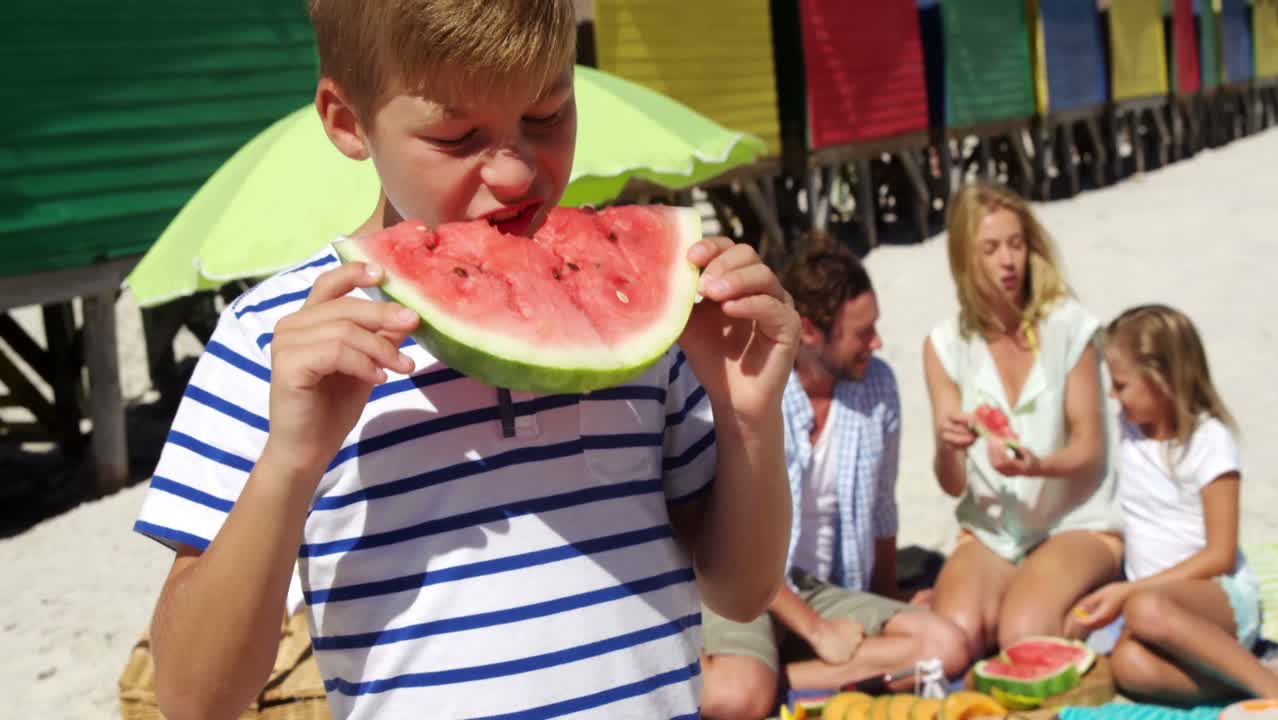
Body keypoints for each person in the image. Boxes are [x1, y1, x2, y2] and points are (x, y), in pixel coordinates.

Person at [133, 2, 801, 718]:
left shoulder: (666, 330)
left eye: (547, 116)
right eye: (456, 136)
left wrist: (747, 419)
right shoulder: (272, 343)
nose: (515, 171)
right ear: (346, 121)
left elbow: (739, 590)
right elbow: (192, 700)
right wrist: (289, 462)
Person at [701, 240, 969, 720]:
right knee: (735, 700)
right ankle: (761, 671)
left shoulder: (878, 386)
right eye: (862, 334)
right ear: (808, 331)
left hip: (822, 588)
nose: (877, 343)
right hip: (749, 587)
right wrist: (816, 632)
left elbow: (883, 509)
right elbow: (725, 537)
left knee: (945, 645)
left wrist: (886, 599)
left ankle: (778, 676)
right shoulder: (754, 391)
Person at [921, 182, 1123, 659]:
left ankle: (1101, 614)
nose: (1008, 261)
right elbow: (952, 485)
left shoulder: (1068, 326)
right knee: (956, 634)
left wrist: (1036, 467)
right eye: (990, 249)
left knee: (1023, 637)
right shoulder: (945, 346)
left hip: (1074, 521)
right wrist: (950, 448)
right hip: (991, 530)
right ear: (964, 259)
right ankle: (1024, 593)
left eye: (1016, 244)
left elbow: (1091, 449)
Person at [1066, 304, 1278, 700]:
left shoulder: (1209, 442)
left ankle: (1270, 688)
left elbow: (1220, 554)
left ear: (1161, 380)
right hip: (1156, 610)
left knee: (1145, 609)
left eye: (1122, 384)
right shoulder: (1125, 433)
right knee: (1128, 666)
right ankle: (1244, 682)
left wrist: (1128, 592)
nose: (1113, 394)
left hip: (1217, 599)